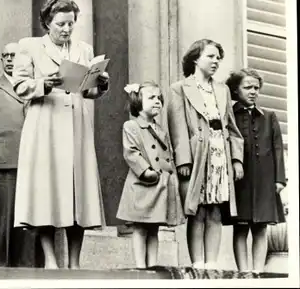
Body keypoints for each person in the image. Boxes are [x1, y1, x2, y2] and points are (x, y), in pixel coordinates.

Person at [12, 0, 109, 269]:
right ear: (47, 23)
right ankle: (52, 261)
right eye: (60, 24)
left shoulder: (83, 48)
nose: (66, 29)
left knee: (77, 191)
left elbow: (87, 91)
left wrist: (100, 84)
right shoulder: (30, 46)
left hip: (76, 125)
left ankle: (74, 263)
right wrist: (45, 82)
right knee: (47, 191)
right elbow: (19, 86)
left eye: (71, 24)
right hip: (45, 124)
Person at [166, 39, 244, 269]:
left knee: (216, 210)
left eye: (218, 57)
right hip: (197, 154)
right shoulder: (179, 88)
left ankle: (212, 265)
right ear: (195, 59)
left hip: (220, 154)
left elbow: (231, 126)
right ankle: (197, 265)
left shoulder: (222, 90)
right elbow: (177, 127)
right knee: (197, 210)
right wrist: (183, 160)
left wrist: (236, 159)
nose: (216, 61)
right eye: (210, 56)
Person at [0, 43, 44, 268]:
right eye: (5, 55)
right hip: (4, 161)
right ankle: (1, 272)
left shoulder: (35, 86)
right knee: (4, 223)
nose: (9, 59)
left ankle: (32, 272)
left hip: (35, 162)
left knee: (33, 223)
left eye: (14, 56)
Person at [116, 82, 185, 269]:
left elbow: (166, 155)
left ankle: (152, 265)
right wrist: (145, 171)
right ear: (138, 102)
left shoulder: (160, 129)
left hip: (159, 184)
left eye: (159, 98)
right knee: (140, 226)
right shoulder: (131, 126)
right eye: (151, 98)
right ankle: (140, 266)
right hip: (142, 184)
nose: (157, 102)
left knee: (154, 227)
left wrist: (170, 177)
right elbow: (131, 152)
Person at [226, 68, 286, 273]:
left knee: (261, 227)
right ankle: (244, 272)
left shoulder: (269, 116)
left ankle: (258, 271)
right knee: (241, 226)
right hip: (240, 179)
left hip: (265, 179)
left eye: (256, 88)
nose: (253, 91)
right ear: (236, 89)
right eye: (247, 87)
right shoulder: (230, 115)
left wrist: (279, 179)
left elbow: (278, 148)